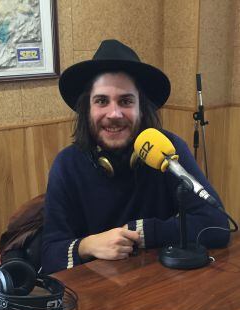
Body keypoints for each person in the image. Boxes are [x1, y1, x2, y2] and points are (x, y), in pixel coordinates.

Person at [42, 39, 229, 274]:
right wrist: (87, 245)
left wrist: (145, 231)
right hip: (94, 298)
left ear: (142, 107)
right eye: (101, 101)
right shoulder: (67, 165)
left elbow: (217, 224)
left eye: (126, 101)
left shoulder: (168, 150)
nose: (114, 113)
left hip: (158, 289)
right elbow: (49, 255)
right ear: (87, 109)